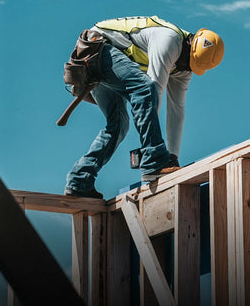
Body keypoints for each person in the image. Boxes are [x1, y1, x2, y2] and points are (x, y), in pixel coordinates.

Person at [64, 16, 224, 199]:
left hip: (107, 60)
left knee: (118, 126)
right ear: (189, 44)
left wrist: (173, 157)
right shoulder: (169, 40)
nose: (184, 68)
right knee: (145, 88)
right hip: (96, 48)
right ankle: (154, 160)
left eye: (190, 66)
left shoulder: (184, 68)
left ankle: (79, 180)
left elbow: (176, 111)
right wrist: (155, 157)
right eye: (187, 62)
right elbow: (152, 91)